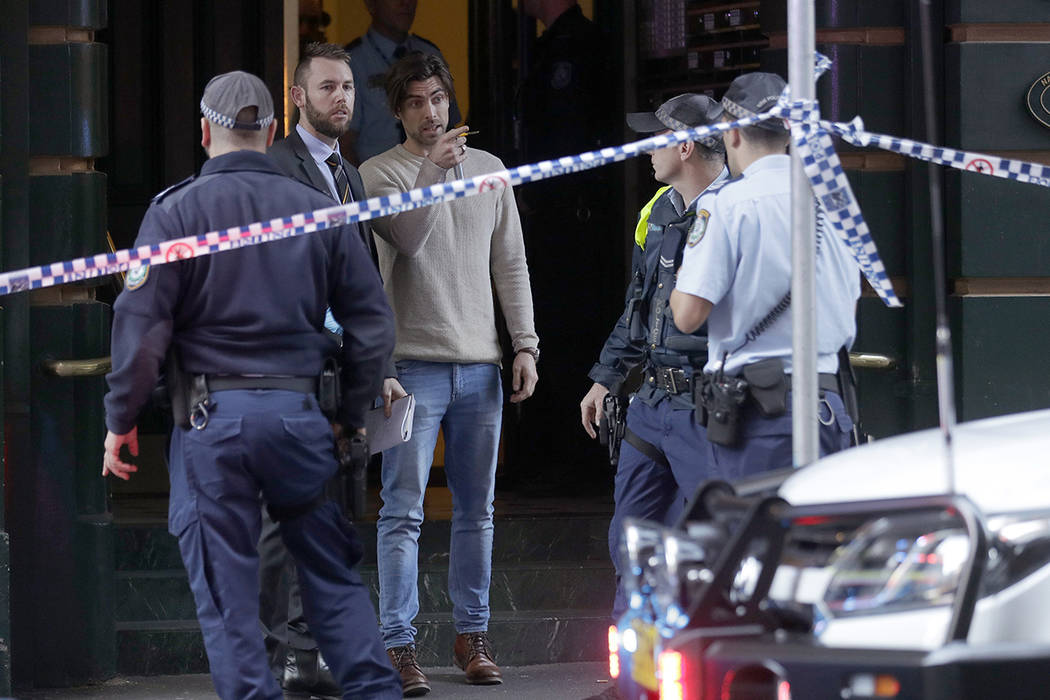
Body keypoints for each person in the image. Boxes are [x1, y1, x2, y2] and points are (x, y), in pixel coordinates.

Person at [101, 70, 401, 700]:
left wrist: (120, 418)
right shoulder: (319, 212)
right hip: (301, 419)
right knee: (333, 586)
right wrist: (348, 412)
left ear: (204, 129)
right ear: (270, 130)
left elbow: (142, 327)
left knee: (231, 608)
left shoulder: (174, 211)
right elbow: (372, 322)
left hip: (213, 425)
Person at [359, 52, 539, 695]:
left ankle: (473, 634)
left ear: (450, 99)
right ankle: (398, 644)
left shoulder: (490, 171)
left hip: (482, 364)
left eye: (437, 98)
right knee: (401, 511)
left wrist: (525, 345)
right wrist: (430, 174)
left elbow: (510, 264)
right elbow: (404, 240)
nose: (431, 112)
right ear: (399, 113)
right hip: (410, 366)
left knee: (477, 511)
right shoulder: (377, 173)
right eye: (414, 102)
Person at [579, 94, 729, 625]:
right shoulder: (659, 211)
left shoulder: (739, 209)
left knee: (712, 543)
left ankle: (704, 666)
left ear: (685, 146)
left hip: (708, 405)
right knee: (632, 539)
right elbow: (639, 305)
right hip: (653, 402)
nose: (646, 150)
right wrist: (607, 379)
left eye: (656, 137)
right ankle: (635, 675)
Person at [263, 41, 383, 696]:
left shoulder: (350, 173)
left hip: (345, 371)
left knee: (332, 515)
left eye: (348, 87)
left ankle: (312, 652)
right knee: (281, 523)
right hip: (289, 368)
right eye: (328, 87)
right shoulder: (276, 169)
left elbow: (362, 280)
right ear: (299, 98)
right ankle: (274, 653)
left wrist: (378, 363)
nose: (342, 96)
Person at [669, 72, 859, 480]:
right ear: (787, 134)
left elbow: (687, 315)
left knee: (755, 541)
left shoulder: (727, 205)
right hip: (829, 408)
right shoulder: (836, 203)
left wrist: (685, 271)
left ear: (732, 134)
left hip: (762, 420)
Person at [512, 0, 620, 491]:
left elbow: (566, 142)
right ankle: (552, 457)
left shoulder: (576, 47)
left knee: (566, 340)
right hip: (554, 220)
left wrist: (535, 198)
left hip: (571, 224)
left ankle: (573, 461)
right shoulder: (549, 45)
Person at [343, 0, 461, 165]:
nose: (405, 3)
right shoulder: (351, 62)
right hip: (378, 180)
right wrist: (361, 188)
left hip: (434, 174)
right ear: (371, 4)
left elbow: (451, 128)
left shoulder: (430, 54)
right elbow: (344, 143)